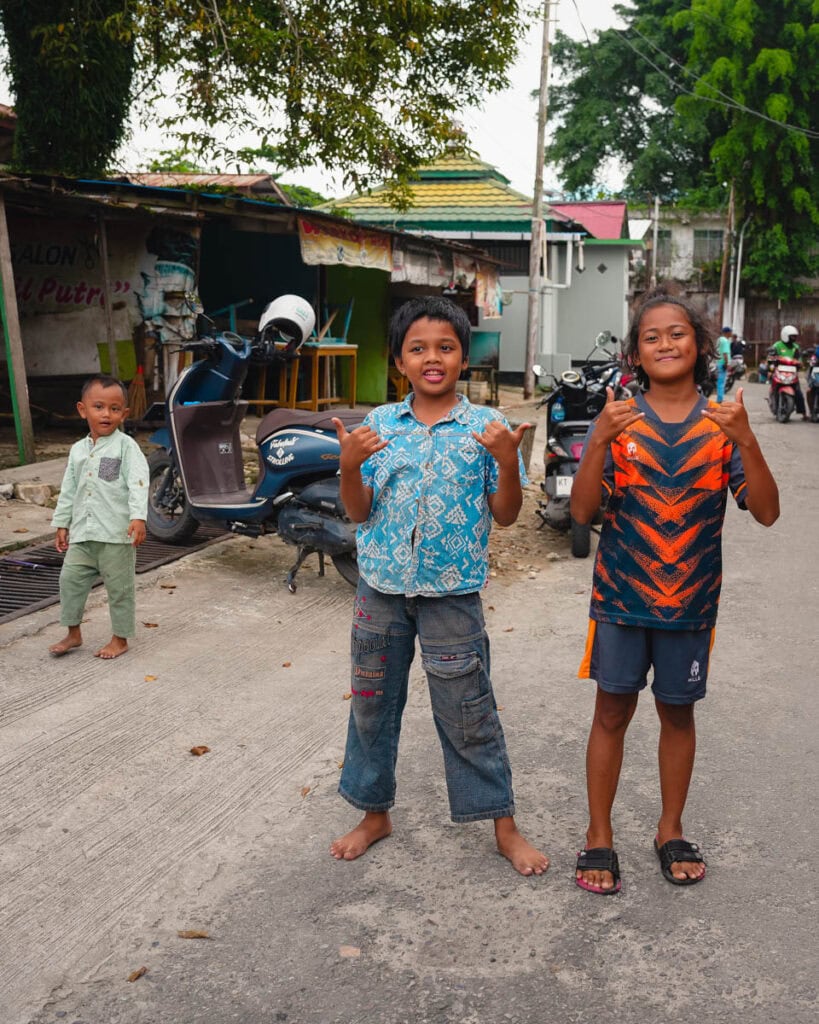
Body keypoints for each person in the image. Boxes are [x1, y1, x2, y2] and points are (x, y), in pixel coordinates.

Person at [328, 296, 549, 877]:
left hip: (452, 595)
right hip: (380, 591)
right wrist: (350, 466)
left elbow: (505, 515)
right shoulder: (378, 426)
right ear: (399, 360)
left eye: (445, 347)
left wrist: (507, 462)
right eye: (418, 348)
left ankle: (503, 823)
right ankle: (375, 813)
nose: (433, 358)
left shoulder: (487, 429)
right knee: (373, 707)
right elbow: (358, 512)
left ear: (463, 358)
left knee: (469, 709)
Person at [570, 289, 779, 894]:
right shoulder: (621, 421)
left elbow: (765, 512)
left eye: (678, 333)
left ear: (700, 346)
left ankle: (670, 828)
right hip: (620, 600)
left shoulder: (719, 426)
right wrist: (599, 443)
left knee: (677, 712)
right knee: (611, 712)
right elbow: (584, 512)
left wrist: (747, 439)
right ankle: (598, 834)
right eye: (652, 336)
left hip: (689, 605)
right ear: (635, 353)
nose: (666, 343)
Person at [49, 375, 149, 659]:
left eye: (115, 409)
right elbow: (69, 488)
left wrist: (138, 517)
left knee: (120, 589)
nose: (107, 414)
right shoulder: (77, 451)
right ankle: (73, 633)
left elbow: (138, 482)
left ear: (124, 414)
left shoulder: (126, 447)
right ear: (83, 410)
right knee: (69, 580)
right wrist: (62, 522)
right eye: (99, 406)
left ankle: (120, 638)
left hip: (116, 535)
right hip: (83, 533)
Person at [771, 324, 808, 419]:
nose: (794, 338)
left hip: (792, 372)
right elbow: (771, 357)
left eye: (795, 336)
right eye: (792, 336)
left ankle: (803, 413)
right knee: (774, 387)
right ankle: (773, 403)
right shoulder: (777, 345)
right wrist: (773, 360)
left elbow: (799, 359)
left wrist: (800, 363)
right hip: (779, 370)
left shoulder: (796, 347)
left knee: (798, 392)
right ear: (785, 335)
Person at [716, 326, 732, 402]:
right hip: (722, 363)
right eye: (730, 332)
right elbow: (725, 353)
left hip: (718, 362)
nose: (731, 334)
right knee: (721, 382)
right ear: (727, 332)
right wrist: (726, 363)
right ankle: (720, 399)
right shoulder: (725, 341)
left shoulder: (719, 339)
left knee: (719, 381)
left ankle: (720, 397)